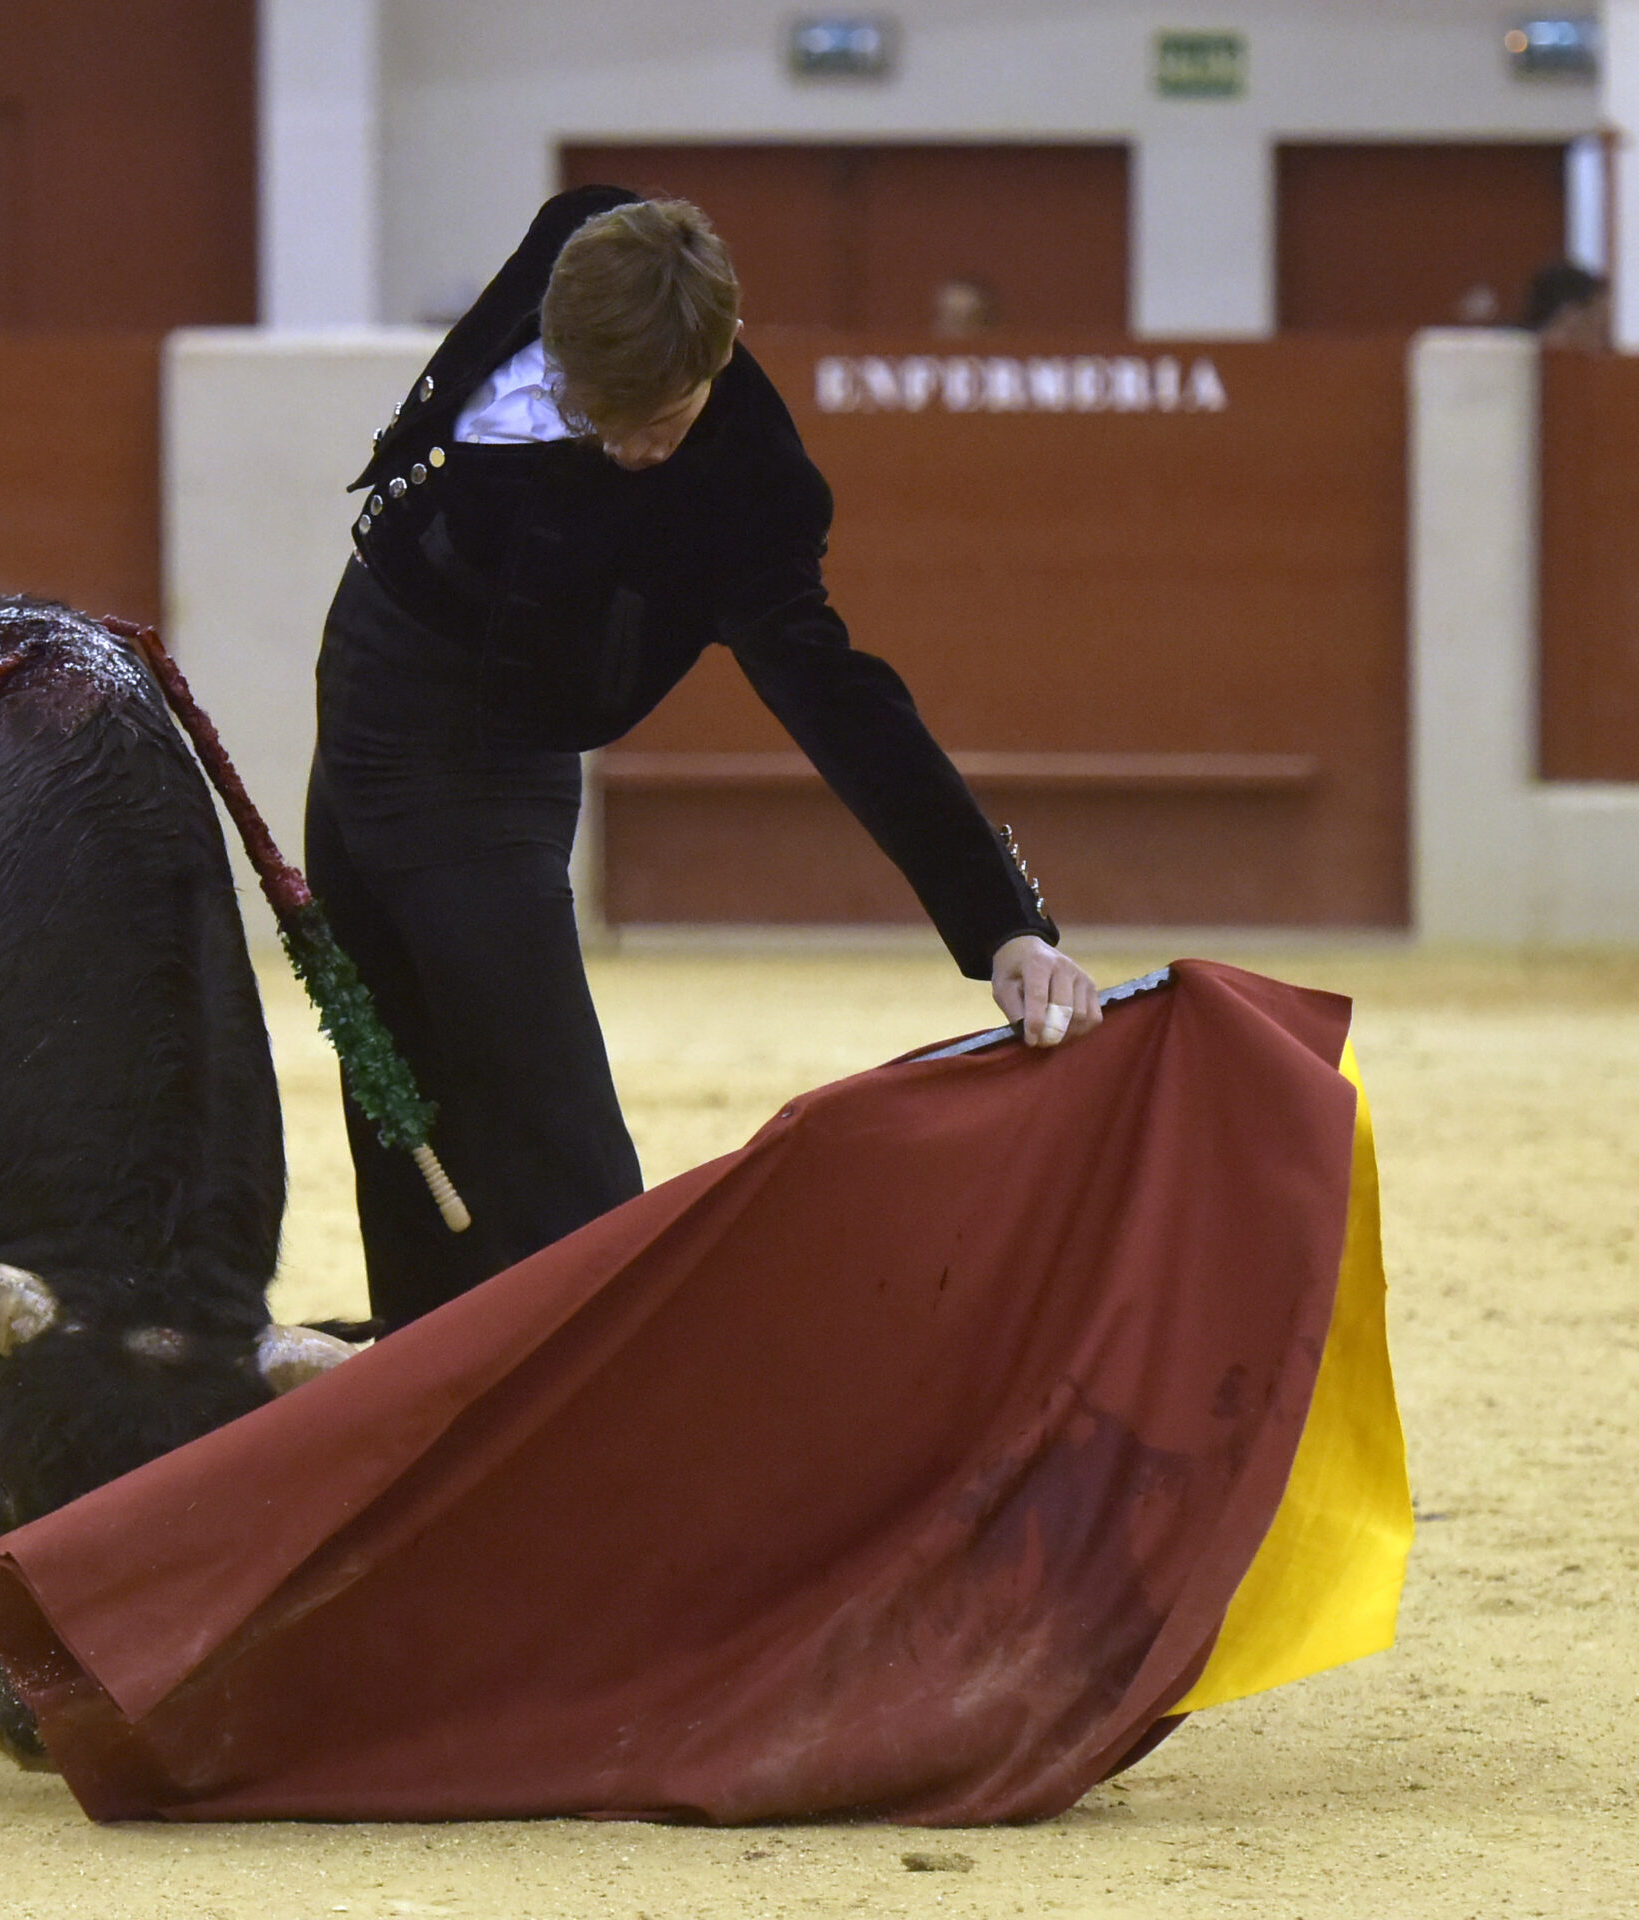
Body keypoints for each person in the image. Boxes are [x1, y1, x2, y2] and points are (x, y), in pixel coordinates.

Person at [307, 186, 1098, 1332]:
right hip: (367, 668)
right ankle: (424, 1393)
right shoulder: (582, 241)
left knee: (552, 1134)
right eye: (600, 415)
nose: (633, 450)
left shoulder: (749, 485)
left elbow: (839, 699)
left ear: (722, 353)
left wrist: (1000, 922)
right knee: (393, 1079)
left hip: (486, 761)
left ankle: (608, 1418)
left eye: (663, 423)